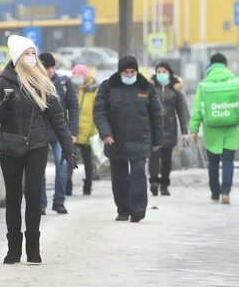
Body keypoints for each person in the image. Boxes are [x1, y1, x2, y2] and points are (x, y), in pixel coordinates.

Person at [0, 35, 78, 265]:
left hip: (37, 146)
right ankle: (13, 249)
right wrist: (5, 104)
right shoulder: (1, 84)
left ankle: (33, 249)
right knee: (14, 197)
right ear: (16, 56)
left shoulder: (43, 82)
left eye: (32, 53)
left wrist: (68, 149)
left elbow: (58, 119)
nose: (31, 57)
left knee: (34, 195)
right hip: (10, 147)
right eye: (26, 53)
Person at [94, 55, 163, 222]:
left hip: (140, 138)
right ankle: (123, 209)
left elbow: (156, 115)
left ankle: (138, 208)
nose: (130, 75)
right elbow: (99, 112)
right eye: (126, 72)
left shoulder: (146, 87)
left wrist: (157, 140)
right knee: (120, 178)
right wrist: (106, 133)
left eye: (133, 72)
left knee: (138, 174)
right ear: (120, 72)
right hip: (115, 140)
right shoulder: (108, 87)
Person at [188, 53, 239, 205]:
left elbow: (197, 110)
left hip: (212, 131)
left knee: (213, 163)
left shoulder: (204, 85)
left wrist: (194, 130)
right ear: (225, 65)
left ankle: (215, 192)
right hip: (231, 129)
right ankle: (226, 191)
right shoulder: (237, 82)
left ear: (210, 66)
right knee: (228, 160)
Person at [38, 52, 79, 215]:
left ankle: (59, 201)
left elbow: (74, 107)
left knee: (62, 167)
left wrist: (73, 132)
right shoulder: (34, 83)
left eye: (53, 67)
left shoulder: (63, 82)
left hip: (60, 132)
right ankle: (41, 203)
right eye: (47, 68)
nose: (50, 71)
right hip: (39, 132)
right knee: (38, 170)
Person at [149, 61, 190, 197]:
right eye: (159, 72)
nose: (161, 74)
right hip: (153, 127)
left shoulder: (175, 90)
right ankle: (154, 181)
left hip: (170, 127)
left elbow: (182, 111)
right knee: (153, 155)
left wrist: (185, 131)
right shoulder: (150, 88)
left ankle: (164, 184)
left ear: (169, 73)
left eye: (164, 72)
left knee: (166, 157)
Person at [67, 64, 99, 195]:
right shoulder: (70, 89)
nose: (76, 78)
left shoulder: (93, 91)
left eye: (79, 75)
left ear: (85, 77)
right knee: (69, 160)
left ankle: (88, 184)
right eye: (74, 75)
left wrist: (93, 132)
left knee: (88, 162)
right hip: (72, 132)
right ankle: (67, 185)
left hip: (88, 132)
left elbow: (96, 112)